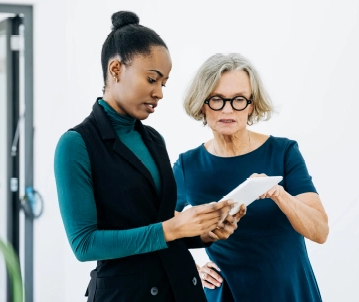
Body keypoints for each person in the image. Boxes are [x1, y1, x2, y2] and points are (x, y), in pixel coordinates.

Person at [53, 11, 246, 302]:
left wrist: (206, 231)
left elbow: (160, 223)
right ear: (115, 68)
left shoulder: (153, 139)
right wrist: (174, 227)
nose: (159, 93)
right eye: (152, 79)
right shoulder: (76, 144)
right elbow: (85, 243)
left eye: (163, 83)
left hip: (183, 289)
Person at [173, 53, 329, 301]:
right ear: (202, 103)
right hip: (227, 293)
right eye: (216, 99)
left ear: (251, 105)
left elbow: (320, 232)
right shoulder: (187, 165)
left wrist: (279, 193)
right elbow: (158, 228)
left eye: (238, 100)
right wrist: (189, 268)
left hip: (289, 289)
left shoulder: (283, 152)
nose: (227, 109)